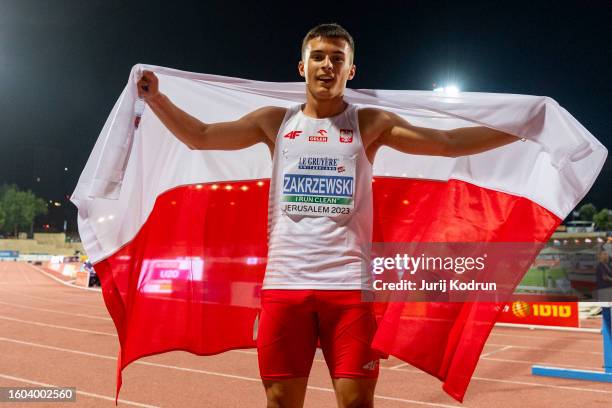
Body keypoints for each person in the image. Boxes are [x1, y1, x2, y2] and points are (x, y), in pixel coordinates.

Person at [137, 23, 521, 408]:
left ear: (350, 70)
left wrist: (522, 127)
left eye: (338, 58)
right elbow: (201, 136)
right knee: (281, 402)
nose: (327, 65)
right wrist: (157, 100)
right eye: (318, 56)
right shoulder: (275, 122)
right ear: (302, 67)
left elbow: (448, 144)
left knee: (356, 403)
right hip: (285, 287)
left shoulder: (368, 123)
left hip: (350, 290)